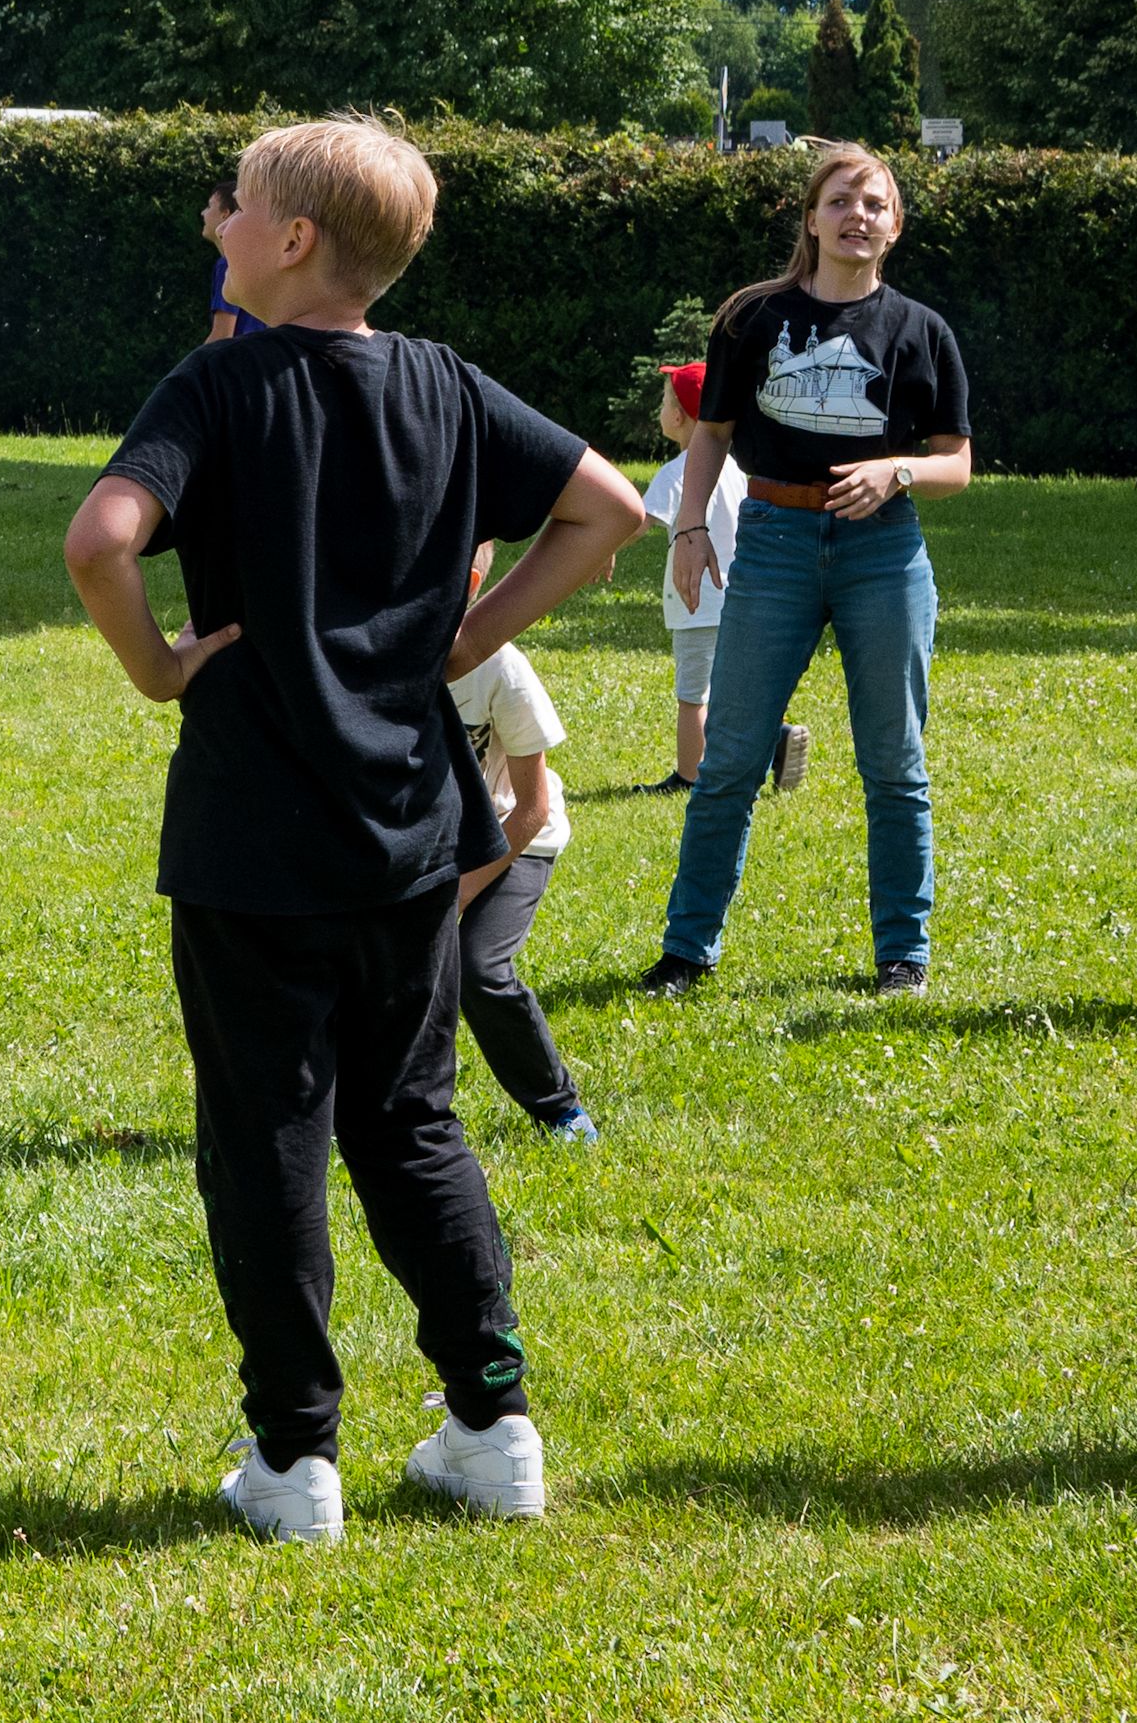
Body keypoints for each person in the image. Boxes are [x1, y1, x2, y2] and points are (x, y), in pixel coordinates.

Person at [63, 117, 641, 1543]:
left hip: (254, 838)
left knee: (268, 1132)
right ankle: (494, 1427)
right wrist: (464, 640)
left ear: (296, 236)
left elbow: (99, 537)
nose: (220, 222)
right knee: (413, 1118)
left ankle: (293, 1459)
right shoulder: (443, 381)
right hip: (411, 832)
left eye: (238, 204)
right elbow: (609, 504)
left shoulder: (221, 381)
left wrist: (153, 666)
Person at [646, 141, 972, 1002]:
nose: (856, 216)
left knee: (895, 762)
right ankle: (687, 951)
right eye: (840, 201)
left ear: (893, 226)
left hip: (883, 551)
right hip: (774, 541)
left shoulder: (921, 331)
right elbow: (710, 430)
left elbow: (958, 461)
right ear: (811, 217)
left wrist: (896, 470)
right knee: (730, 760)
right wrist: (688, 527)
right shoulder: (752, 319)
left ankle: (903, 956)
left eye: (873, 204)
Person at [446, 548, 594, 1145]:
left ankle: (560, 1108)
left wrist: (460, 893)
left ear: (472, 583)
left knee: (476, 968)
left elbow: (532, 809)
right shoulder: (380, 655)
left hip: (515, 835)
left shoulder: (501, 669)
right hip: (429, 844)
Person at [638, 363, 797, 800]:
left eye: (666, 400)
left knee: (693, 694)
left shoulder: (677, 473)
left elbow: (637, 522)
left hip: (696, 601)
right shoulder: (733, 469)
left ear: (680, 416)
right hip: (739, 595)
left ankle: (689, 776)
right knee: (734, 689)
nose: (662, 407)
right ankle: (775, 737)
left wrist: (600, 545)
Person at [201, 180, 268, 346]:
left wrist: (189, 369)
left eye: (209, 207)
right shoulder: (257, 261)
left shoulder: (228, 264)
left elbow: (222, 336)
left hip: (240, 365)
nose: (203, 213)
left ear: (225, 214)